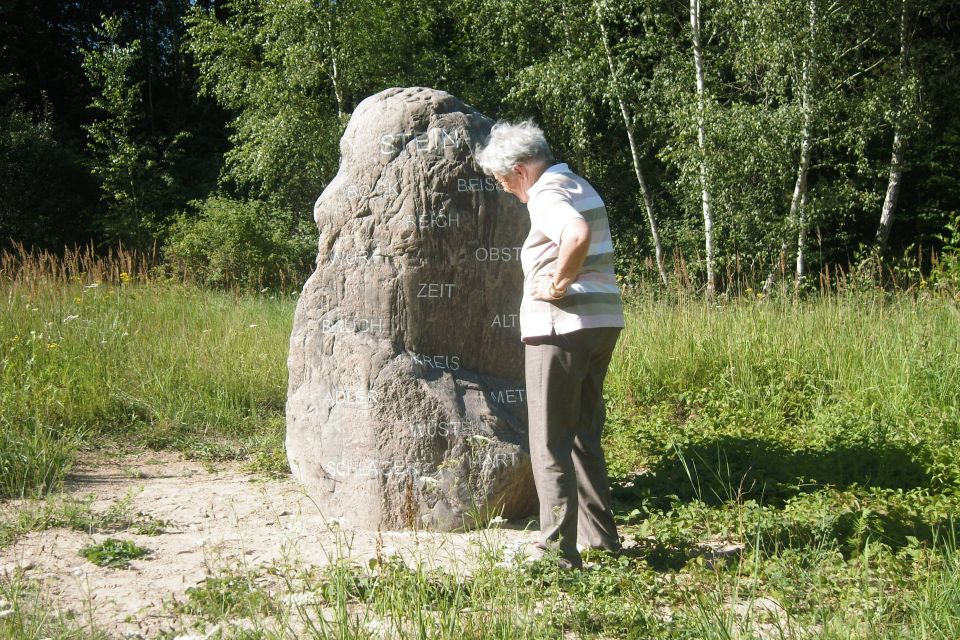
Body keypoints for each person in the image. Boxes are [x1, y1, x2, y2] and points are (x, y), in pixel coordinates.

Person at [476, 120, 626, 569]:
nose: (506, 190)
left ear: (520, 170)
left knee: (549, 442)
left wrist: (558, 283)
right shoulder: (578, 183)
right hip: (601, 322)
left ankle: (556, 554)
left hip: (558, 328)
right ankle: (601, 541)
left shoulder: (544, 195)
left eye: (503, 180)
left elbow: (575, 234)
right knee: (582, 437)